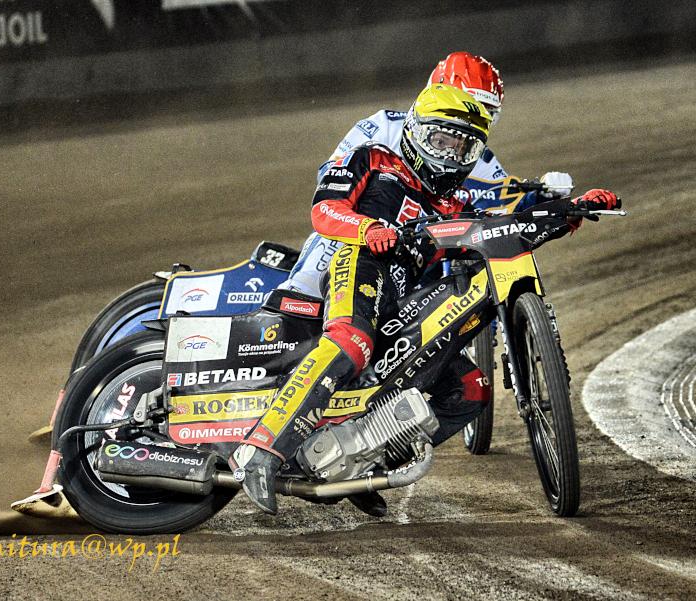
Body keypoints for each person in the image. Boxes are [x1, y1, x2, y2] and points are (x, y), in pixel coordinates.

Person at [231, 83, 620, 516]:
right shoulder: (373, 159)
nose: (450, 155)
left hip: (403, 301)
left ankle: (362, 466)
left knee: (471, 391)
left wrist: (569, 211)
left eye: (462, 148)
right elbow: (324, 209)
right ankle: (260, 450)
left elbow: (506, 227)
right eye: (441, 141)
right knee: (350, 340)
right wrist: (367, 229)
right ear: (416, 132)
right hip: (359, 263)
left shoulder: (454, 205)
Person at [285, 51, 574, 297]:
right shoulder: (383, 125)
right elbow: (331, 179)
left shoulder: (480, 156)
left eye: (489, 111)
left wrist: (544, 198)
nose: (477, 116)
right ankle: (297, 298)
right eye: (474, 103)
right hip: (363, 237)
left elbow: (502, 208)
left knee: (481, 255)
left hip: (427, 251)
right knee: (324, 256)